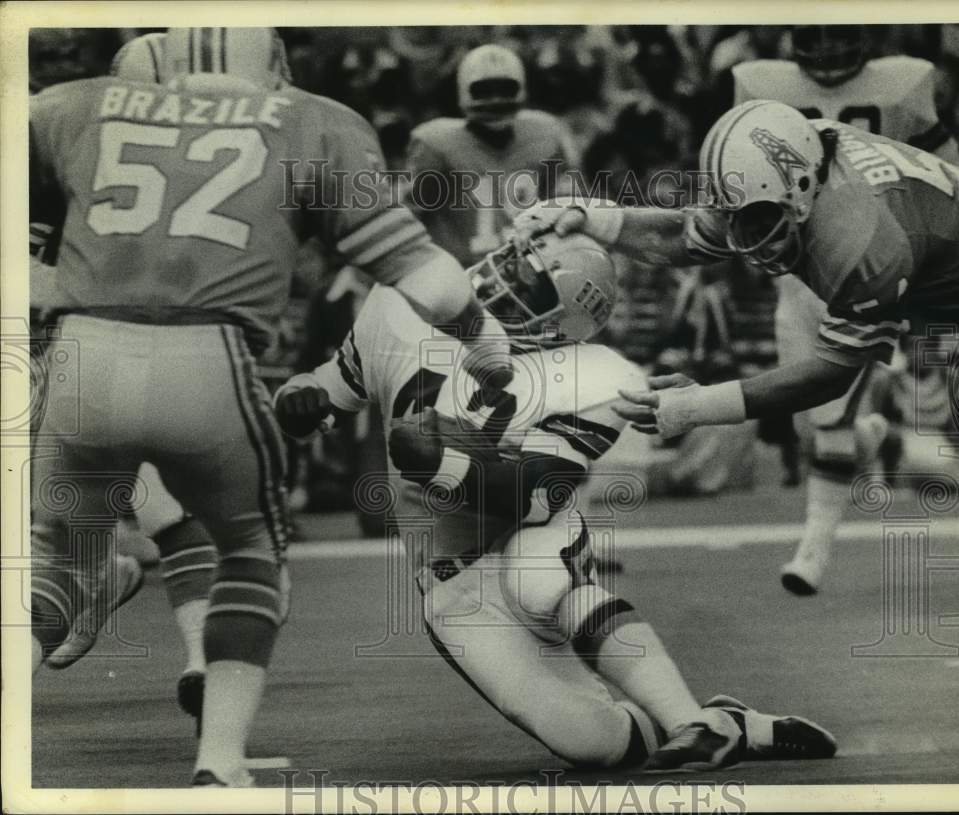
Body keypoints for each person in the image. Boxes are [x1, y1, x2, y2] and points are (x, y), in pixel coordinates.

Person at [29, 26, 512, 787]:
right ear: (272, 68)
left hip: (81, 353)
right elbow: (431, 281)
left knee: (56, 561)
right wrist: (484, 341)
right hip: (207, 356)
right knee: (251, 554)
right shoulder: (312, 120)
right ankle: (220, 762)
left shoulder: (70, 106)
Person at [273, 233, 836, 771]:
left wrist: (445, 464)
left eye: (533, 288)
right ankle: (731, 723)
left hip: (525, 531)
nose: (505, 283)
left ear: (562, 332)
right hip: (451, 579)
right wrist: (300, 397)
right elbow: (331, 388)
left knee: (539, 582)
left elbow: (540, 495)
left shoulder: (594, 378)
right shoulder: (401, 301)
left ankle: (691, 722)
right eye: (517, 264)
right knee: (598, 745)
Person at [511, 100, 959, 520]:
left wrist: (697, 405)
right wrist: (594, 217)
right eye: (733, 215)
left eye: (755, 218)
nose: (742, 234)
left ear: (800, 189)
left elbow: (830, 374)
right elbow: (689, 236)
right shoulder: (789, 166)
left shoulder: (859, 237)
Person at [730, 24, 959, 593]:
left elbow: (950, 175)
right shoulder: (757, 83)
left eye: (841, 35)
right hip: (798, 280)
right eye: (818, 36)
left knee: (830, 423)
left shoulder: (904, 82)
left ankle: (812, 551)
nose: (830, 50)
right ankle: (876, 439)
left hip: (874, 263)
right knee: (809, 428)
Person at [406, 43, 579, 269]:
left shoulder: (545, 134)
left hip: (529, 269)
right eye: (484, 90)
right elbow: (407, 219)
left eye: (505, 89)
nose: (496, 99)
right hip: (461, 274)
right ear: (464, 90)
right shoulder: (435, 144)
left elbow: (564, 206)